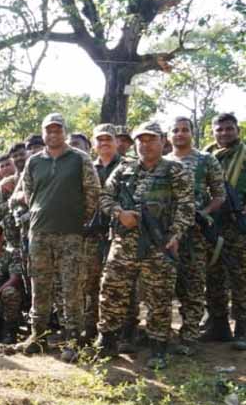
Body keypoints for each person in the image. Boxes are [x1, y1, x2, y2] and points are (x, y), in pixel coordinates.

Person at [96, 122, 194, 368]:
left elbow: (186, 206)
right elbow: (104, 197)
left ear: (163, 141)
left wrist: (175, 235)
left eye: (151, 139)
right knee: (111, 292)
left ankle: (158, 347)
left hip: (159, 245)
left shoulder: (176, 171)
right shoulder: (124, 169)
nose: (145, 144)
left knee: (159, 297)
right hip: (124, 243)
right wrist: (120, 213)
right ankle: (107, 342)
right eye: (140, 139)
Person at [17, 113, 99, 363]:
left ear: (64, 132)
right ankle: (38, 336)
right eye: (48, 130)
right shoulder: (34, 162)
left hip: (71, 234)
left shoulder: (80, 159)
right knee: (39, 286)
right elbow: (28, 194)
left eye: (57, 130)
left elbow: (93, 193)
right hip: (40, 232)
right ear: (43, 133)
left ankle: (73, 340)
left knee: (71, 288)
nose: (53, 134)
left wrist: (77, 218)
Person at [164, 117, 225, 355]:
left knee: (193, 284)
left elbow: (219, 195)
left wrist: (203, 213)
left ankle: (189, 336)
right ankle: (162, 334)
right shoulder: (162, 162)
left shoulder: (206, 160)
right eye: (175, 130)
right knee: (164, 285)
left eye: (185, 130)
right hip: (166, 233)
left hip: (196, 234)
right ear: (169, 136)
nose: (180, 134)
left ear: (192, 133)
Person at [204, 113, 246, 350]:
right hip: (213, 223)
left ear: (237, 130)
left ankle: (242, 328)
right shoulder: (207, 155)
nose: (224, 133)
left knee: (240, 277)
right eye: (219, 129)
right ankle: (218, 325)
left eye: (229, 129)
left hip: (238, 225)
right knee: (214, 274)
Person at [83, 124, 127, 345]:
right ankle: (91, 328)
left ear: (116, 141)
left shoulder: (128, 167)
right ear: (93, 144)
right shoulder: (88, 168)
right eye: (99, 140)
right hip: (92, 234)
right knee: (90, 282)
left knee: (121, 284)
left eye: (108, 139)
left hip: (121, 234)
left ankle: (124, 331)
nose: (104, 144)